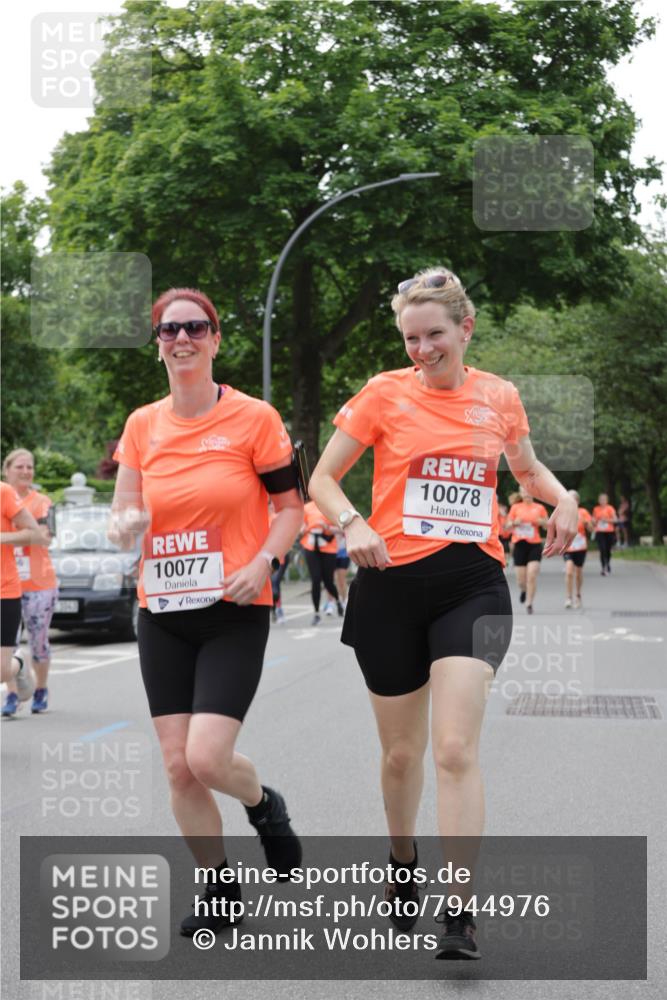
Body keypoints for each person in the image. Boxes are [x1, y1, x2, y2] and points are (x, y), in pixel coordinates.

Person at [308, 267, 577, 960]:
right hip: (387, 581)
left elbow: (527, 471)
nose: (421, 350)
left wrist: (564, 500)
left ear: (465, 328)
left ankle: (458, 912)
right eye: (408, 338)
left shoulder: (499, 397)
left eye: (432, 335)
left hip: (471, 583)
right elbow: (322, 478)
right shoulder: (380, 394)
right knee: (401, 756)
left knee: (455, 749)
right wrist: (351, 523)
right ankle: (402, 862)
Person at [108, 287, 304, 937]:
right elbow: (123, 512)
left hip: (233, 607)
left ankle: (264, 806)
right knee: (176, 764)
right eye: (169, 330)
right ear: (157, 344)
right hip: (161, 610)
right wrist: (123, 527)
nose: (182, 338)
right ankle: (220, 889)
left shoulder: (254, 419)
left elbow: (289, 510)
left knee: (207, 758)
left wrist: (264, 563)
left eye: (195, 327)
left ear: (216, 339)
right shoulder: (141, 425)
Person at [2, 449, 58, 714]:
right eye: (20, 467)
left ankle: (41, 688)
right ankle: (12, 694)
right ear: (7, 469)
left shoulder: (42, 502)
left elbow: (44, 537)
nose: (26, 471)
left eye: (30, 467)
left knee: (38, 640)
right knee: (8, 645)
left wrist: (7, 536)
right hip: (9, 582)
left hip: (38, 582)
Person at [299, 500, 343, 625]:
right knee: (316, 579)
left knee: (328, 581)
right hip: (311, 545)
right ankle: (316, 613)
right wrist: (304, 529)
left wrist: (327, 528)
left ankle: (338, 602)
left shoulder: (331, 505)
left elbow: (341, 528)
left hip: (328, 546)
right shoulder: (307, 508)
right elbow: (300, 527)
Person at [506, 486, 549, 614]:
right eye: (524, 491)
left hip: (534, 544)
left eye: (529, 491)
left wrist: (542, 522)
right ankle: (524, 590)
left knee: (531, 575)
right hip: (519, 544)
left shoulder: (539, 508)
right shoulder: (515, 507)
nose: (526, 493)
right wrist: (514, 523)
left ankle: (529, 603)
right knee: (521, 580)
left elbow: (548, 526)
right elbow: (507, 526)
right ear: (521, 493)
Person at [562, 490, 593, 609]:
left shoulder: (583, 512)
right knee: (569, 571)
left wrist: (587, 523)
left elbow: (591, 529)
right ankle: (568, 597)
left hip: (580, 546)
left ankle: (578, 595)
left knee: (578, 572)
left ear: (577, 501)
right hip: (568, 547)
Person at [592, 493, 617, 575]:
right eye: (601, 499)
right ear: (599, 501)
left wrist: (606, 520)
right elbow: (593, 520)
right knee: (602, 549)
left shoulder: (610, 508)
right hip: (600, 532)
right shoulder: (596, 509)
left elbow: (615, 520)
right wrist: (594, 521)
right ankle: (603, 567)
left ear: (607, 501)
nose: (602, 501)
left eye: (604, 500)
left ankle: (608, 563)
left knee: (608, 550)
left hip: (609, 531)